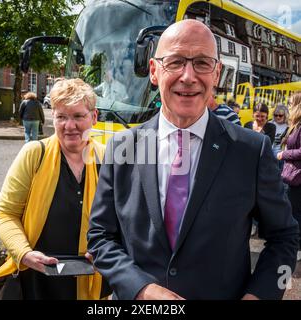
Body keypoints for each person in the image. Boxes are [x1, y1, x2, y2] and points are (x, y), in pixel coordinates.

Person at [87, 19, 299, 300]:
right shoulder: (121, 148)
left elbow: (284, 237)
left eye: (201, 63)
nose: (188, 76)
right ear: (153, 71)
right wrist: (141, 289)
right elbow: (100, 238)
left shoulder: (252, 150)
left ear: (217, 73)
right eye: (175, 62)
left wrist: (260, 295)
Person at [0, 78, 107, 300]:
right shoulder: (35, 153)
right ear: (53, 117)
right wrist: (24, 254)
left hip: (92, 278)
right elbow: (5, 214)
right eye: (61, 116)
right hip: (38, 280)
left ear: (94, 117)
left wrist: (110, 249)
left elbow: (122, 219)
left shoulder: (108, 157)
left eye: (78, 116)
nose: (69, 125)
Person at [277, 92, 301, 268]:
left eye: (291, 102)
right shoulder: (294, 125)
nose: (288, 105)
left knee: (295, 216)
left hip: (297, 178)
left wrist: (283, 154)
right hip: (292, 176)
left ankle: (294, 251)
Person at [271, 103, 289, 171]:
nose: (278, 117)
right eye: (276, 115)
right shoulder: (270, 124)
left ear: (285, 115)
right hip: (270, 156)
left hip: (282, 158)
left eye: (280, 115)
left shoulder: (289, 127)